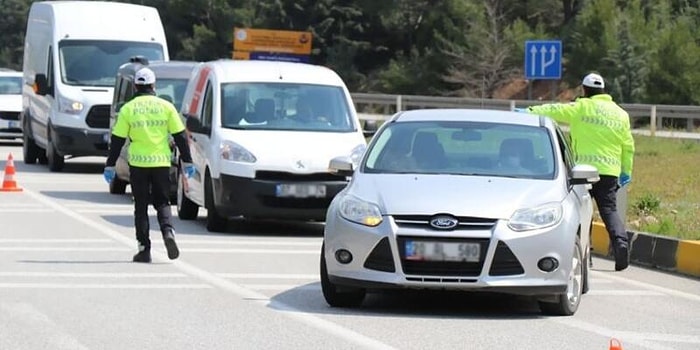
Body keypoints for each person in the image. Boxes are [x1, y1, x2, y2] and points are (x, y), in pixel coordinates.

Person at [523, 72, 635, 271]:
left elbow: (554, 109)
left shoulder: (581, 107)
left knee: (583, 212)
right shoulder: (620, 114)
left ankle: (586, 254)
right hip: (609, 171)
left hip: (582, 173)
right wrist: (626, 170)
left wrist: (530, 111)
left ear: (584, 90)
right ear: (603, 91)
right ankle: (621, 244)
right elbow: (628, 146)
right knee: (609, 210)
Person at [103, 67, 195, 263]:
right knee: (162, 202)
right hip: (161, 162)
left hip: (138, 164)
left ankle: (144, 249)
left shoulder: (128, 109)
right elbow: (180, 136)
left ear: (136, 85)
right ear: (154, 86)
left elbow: (118, 140)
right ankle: (168, 232)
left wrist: (110, 165)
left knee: (141, 206)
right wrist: (187, 161)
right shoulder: (166, 106)